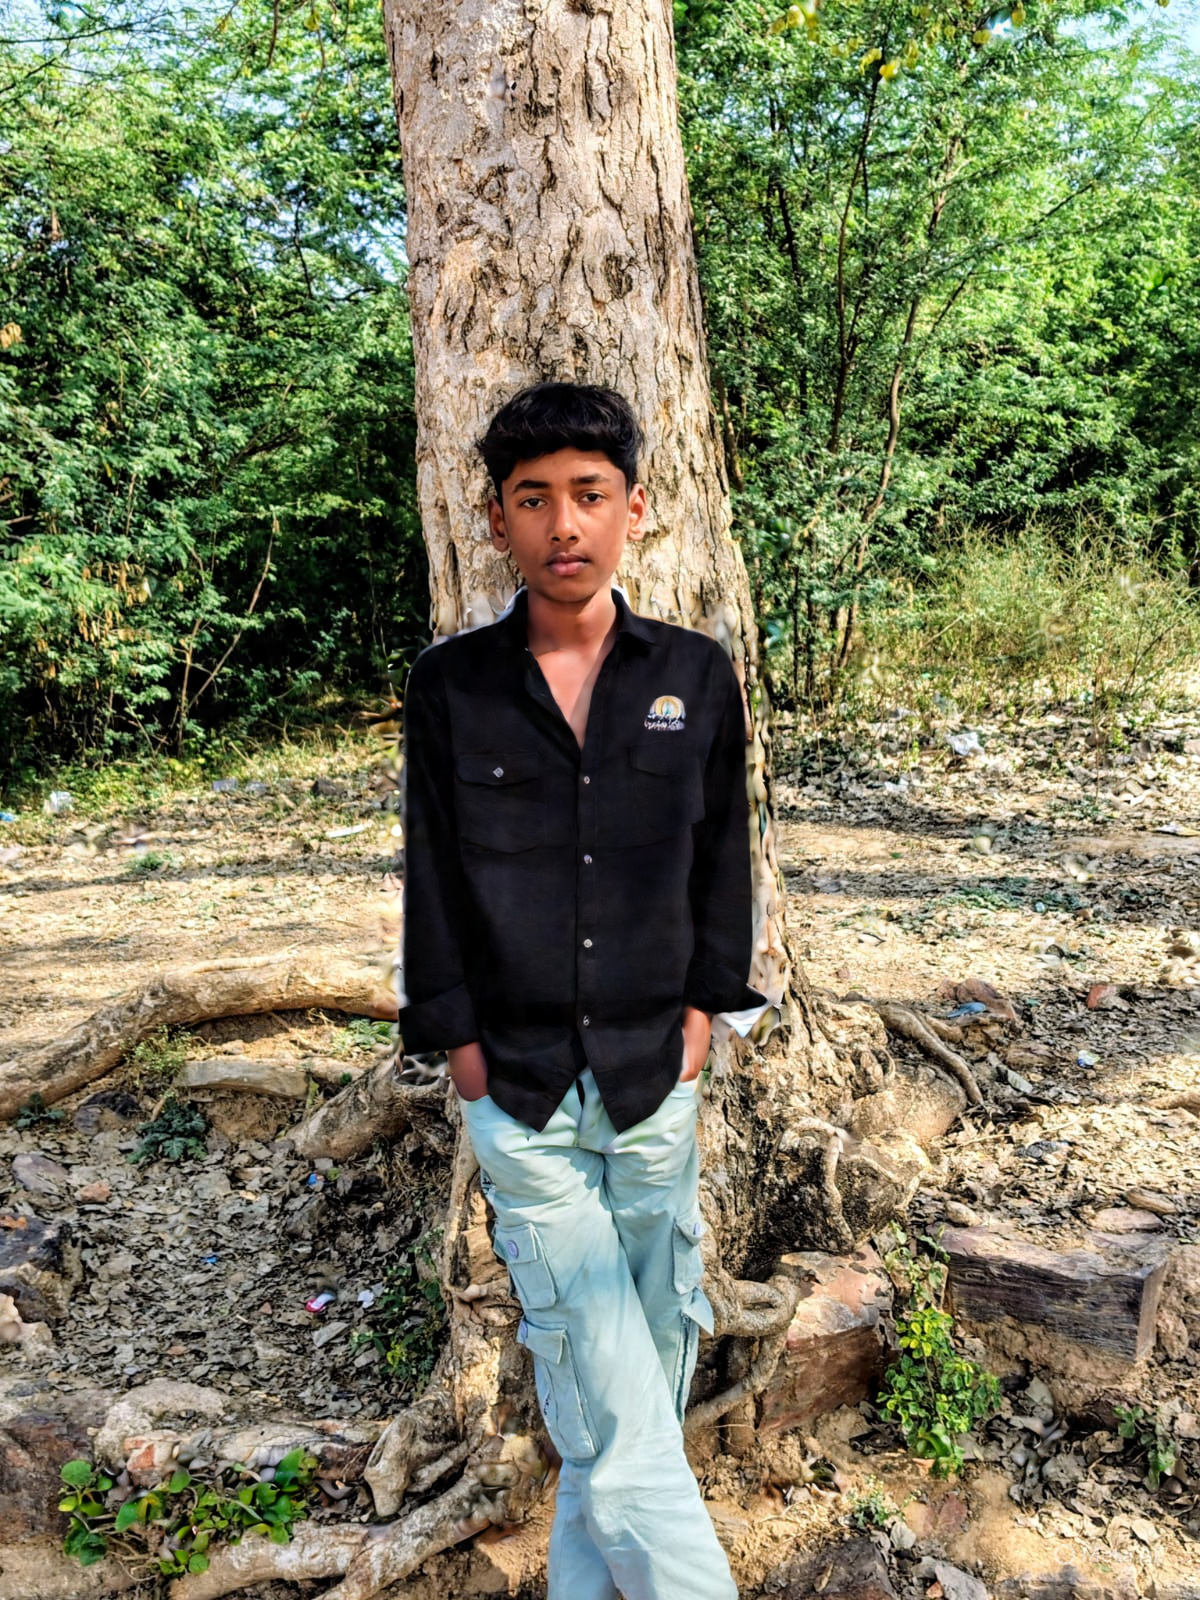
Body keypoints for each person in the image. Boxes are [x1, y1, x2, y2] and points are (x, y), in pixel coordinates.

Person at [398, 381, 763, 1600]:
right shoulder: (453, 686)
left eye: (589, 495)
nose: (564, 523)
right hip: (520, 1087)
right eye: (534, 498)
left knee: (642, 1361)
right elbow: (432, 872)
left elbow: (725, 857)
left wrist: (705, 1015)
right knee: (608, 1376)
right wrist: (457, 1044)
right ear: (496, 520)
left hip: (657, 1077)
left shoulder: (695, 675)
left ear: (635, 509)